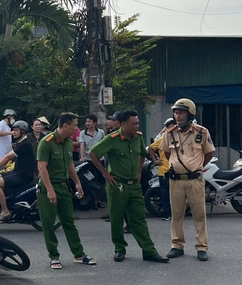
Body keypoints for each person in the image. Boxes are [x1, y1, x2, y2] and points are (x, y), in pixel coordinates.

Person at [89, 110, 169, 263]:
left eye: (137, 123)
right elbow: (93, 153)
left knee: (139, 219)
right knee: (117, 218)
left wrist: (139, 172)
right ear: (123, 124)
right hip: (117, 185)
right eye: (134, 124)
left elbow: (142, 154)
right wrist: (105, 173)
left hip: (134, 186)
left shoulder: (137, 137)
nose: (137, 126)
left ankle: (149, 251)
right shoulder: (112, 139)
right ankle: (119, 249)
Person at [36, 112, 96, 269]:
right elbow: (42, 168)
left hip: (63, 186)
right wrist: (49, 190)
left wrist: (77, 182)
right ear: (65, 126)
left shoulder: (68, 142)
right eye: (75, 125)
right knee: (48, 223)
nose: (77, 128)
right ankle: (54, 256)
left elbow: (70, 164)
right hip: (48, 187)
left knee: (69, 222)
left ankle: (79, 254)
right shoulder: (46, 142)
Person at [159, 98, 214, 262]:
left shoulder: (201, 132)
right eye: (175, 112)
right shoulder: (170, 133)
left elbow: (209, 153)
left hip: (195, 180)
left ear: (190, 114)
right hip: (175, 180)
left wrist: (195, 167)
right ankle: (177, 245)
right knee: (176, 215)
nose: (177, 116)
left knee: (199, 215)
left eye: (181, 112)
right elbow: (166, 153)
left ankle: (201, 247)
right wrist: (177, 166)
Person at [0, 120, 36, 222]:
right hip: (18, 172)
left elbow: (7, 157)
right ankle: (8, 201)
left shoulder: (25, 144)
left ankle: (5, 210)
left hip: (23, 175)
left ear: (23, 132)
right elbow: (7, 157)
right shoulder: (21, 143)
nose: (14, 132)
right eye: (13, 130)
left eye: (16, 130)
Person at [148, 118, 176, 221]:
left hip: (176, 170)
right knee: (165, 194)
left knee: (176, 194)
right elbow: (150, 148)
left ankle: (177, 214)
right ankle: (167, 214)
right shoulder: (162, 139)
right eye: (169, 128)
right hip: (164, 171)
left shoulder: (179, 139)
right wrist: (155, 160)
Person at [79, 114, 106, 209]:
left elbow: (103, 145)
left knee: (100, 181)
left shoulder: (101, 132)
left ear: (94, 123)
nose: (87, 123)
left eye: (90, 121)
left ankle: (99, 200)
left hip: (100, 159)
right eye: (86, 121)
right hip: (88, 160)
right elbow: (82, 145)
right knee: (90, 180)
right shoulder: (83, 133)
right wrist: (82, 157)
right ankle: (93, 200)